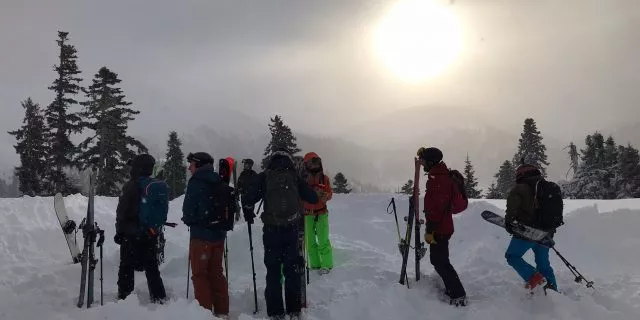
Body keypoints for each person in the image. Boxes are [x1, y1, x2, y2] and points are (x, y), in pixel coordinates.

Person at [242, 149, 319, 320]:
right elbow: (313, 198)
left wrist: (248, 211)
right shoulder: (293, 176)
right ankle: (294, 310)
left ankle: (276, 312)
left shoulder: (265, 176)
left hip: (271, 230)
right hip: (291, 230)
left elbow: (248, 197)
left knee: (274, 271)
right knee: (292, 271)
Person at [417, 147, 468, 307]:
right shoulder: (438, 176)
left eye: (424, 160)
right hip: (441, 226)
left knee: (440, 262)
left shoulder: (438, 180)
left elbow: (436, 208)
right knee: (438, 260)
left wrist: (430, 230)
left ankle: (458, 294)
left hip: (440, 228)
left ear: (431, 162)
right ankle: (453, 289)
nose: (422, 163)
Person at [182, 152, 229, 318]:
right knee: (216, 272)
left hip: (201, 237)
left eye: (192, 164)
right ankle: (222, 312)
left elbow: (188, 210)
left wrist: (188, 219)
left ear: (199, 165)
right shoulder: (218, 179)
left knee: (200, 275)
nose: (189, 167)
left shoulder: (196, 182)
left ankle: (204, 314)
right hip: (219, 236)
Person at [115, 154, 167, 303]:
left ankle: (124, 298)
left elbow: (122, 211)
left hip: (131, 233)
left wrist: (119, 231)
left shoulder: (131, 185)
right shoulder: (153, 185)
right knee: (151, 267)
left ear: (137, 168)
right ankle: (159, 297)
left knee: (126, 267)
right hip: (149, 232)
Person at [504, 162, 558, 291]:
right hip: (546, 232)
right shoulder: (547, 187)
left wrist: (509, 223)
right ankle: (552, 291)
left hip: (527, 232)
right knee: (544, 265)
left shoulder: (520, 189)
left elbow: (512, 210)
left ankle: (535, 278)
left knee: (512, 256)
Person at [301, 152, 334, 274]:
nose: (314, 165)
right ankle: (315, 265)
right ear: (306, 165)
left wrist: (326, 195)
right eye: (311, 163)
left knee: (323, 240)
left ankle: (326, 265)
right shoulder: (302, 180)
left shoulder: (324, 179)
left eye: (316, 162)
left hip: (321, 213)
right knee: (309, 242)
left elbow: (329, 193)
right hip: (307, 214)